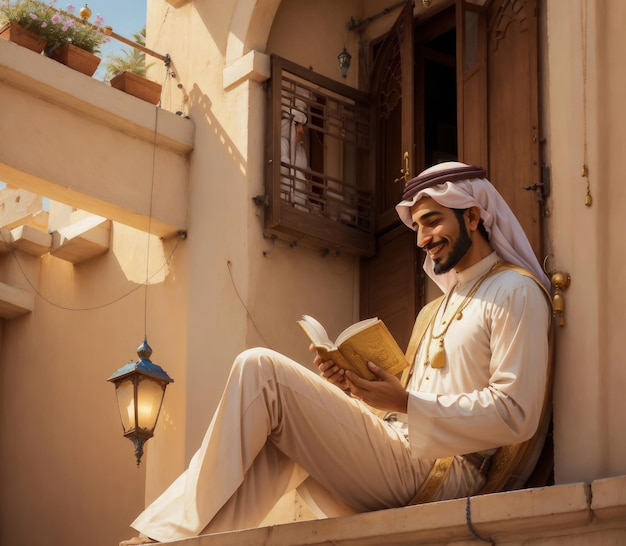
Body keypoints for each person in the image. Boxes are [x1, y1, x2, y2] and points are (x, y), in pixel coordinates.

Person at [120, 161, 551, 545]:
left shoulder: (515, 290)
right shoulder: (434, 310)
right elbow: (407, 408)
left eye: (433, 222)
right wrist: (358, 389)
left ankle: (167, 527)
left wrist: (404, 402)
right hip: (402, 451)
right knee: (280, 425)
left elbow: (517, 412)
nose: (422, 238)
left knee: (260, 368)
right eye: (417, 226)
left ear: (473, 216)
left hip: (448, 472)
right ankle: (182, 540)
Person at [280, 104, 309, 209]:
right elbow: (282, 170)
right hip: (287, 195)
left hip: (301, 196)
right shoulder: (281, 142)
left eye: (302, 126)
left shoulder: (301, 149)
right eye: (297, 125)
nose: (301, 130)